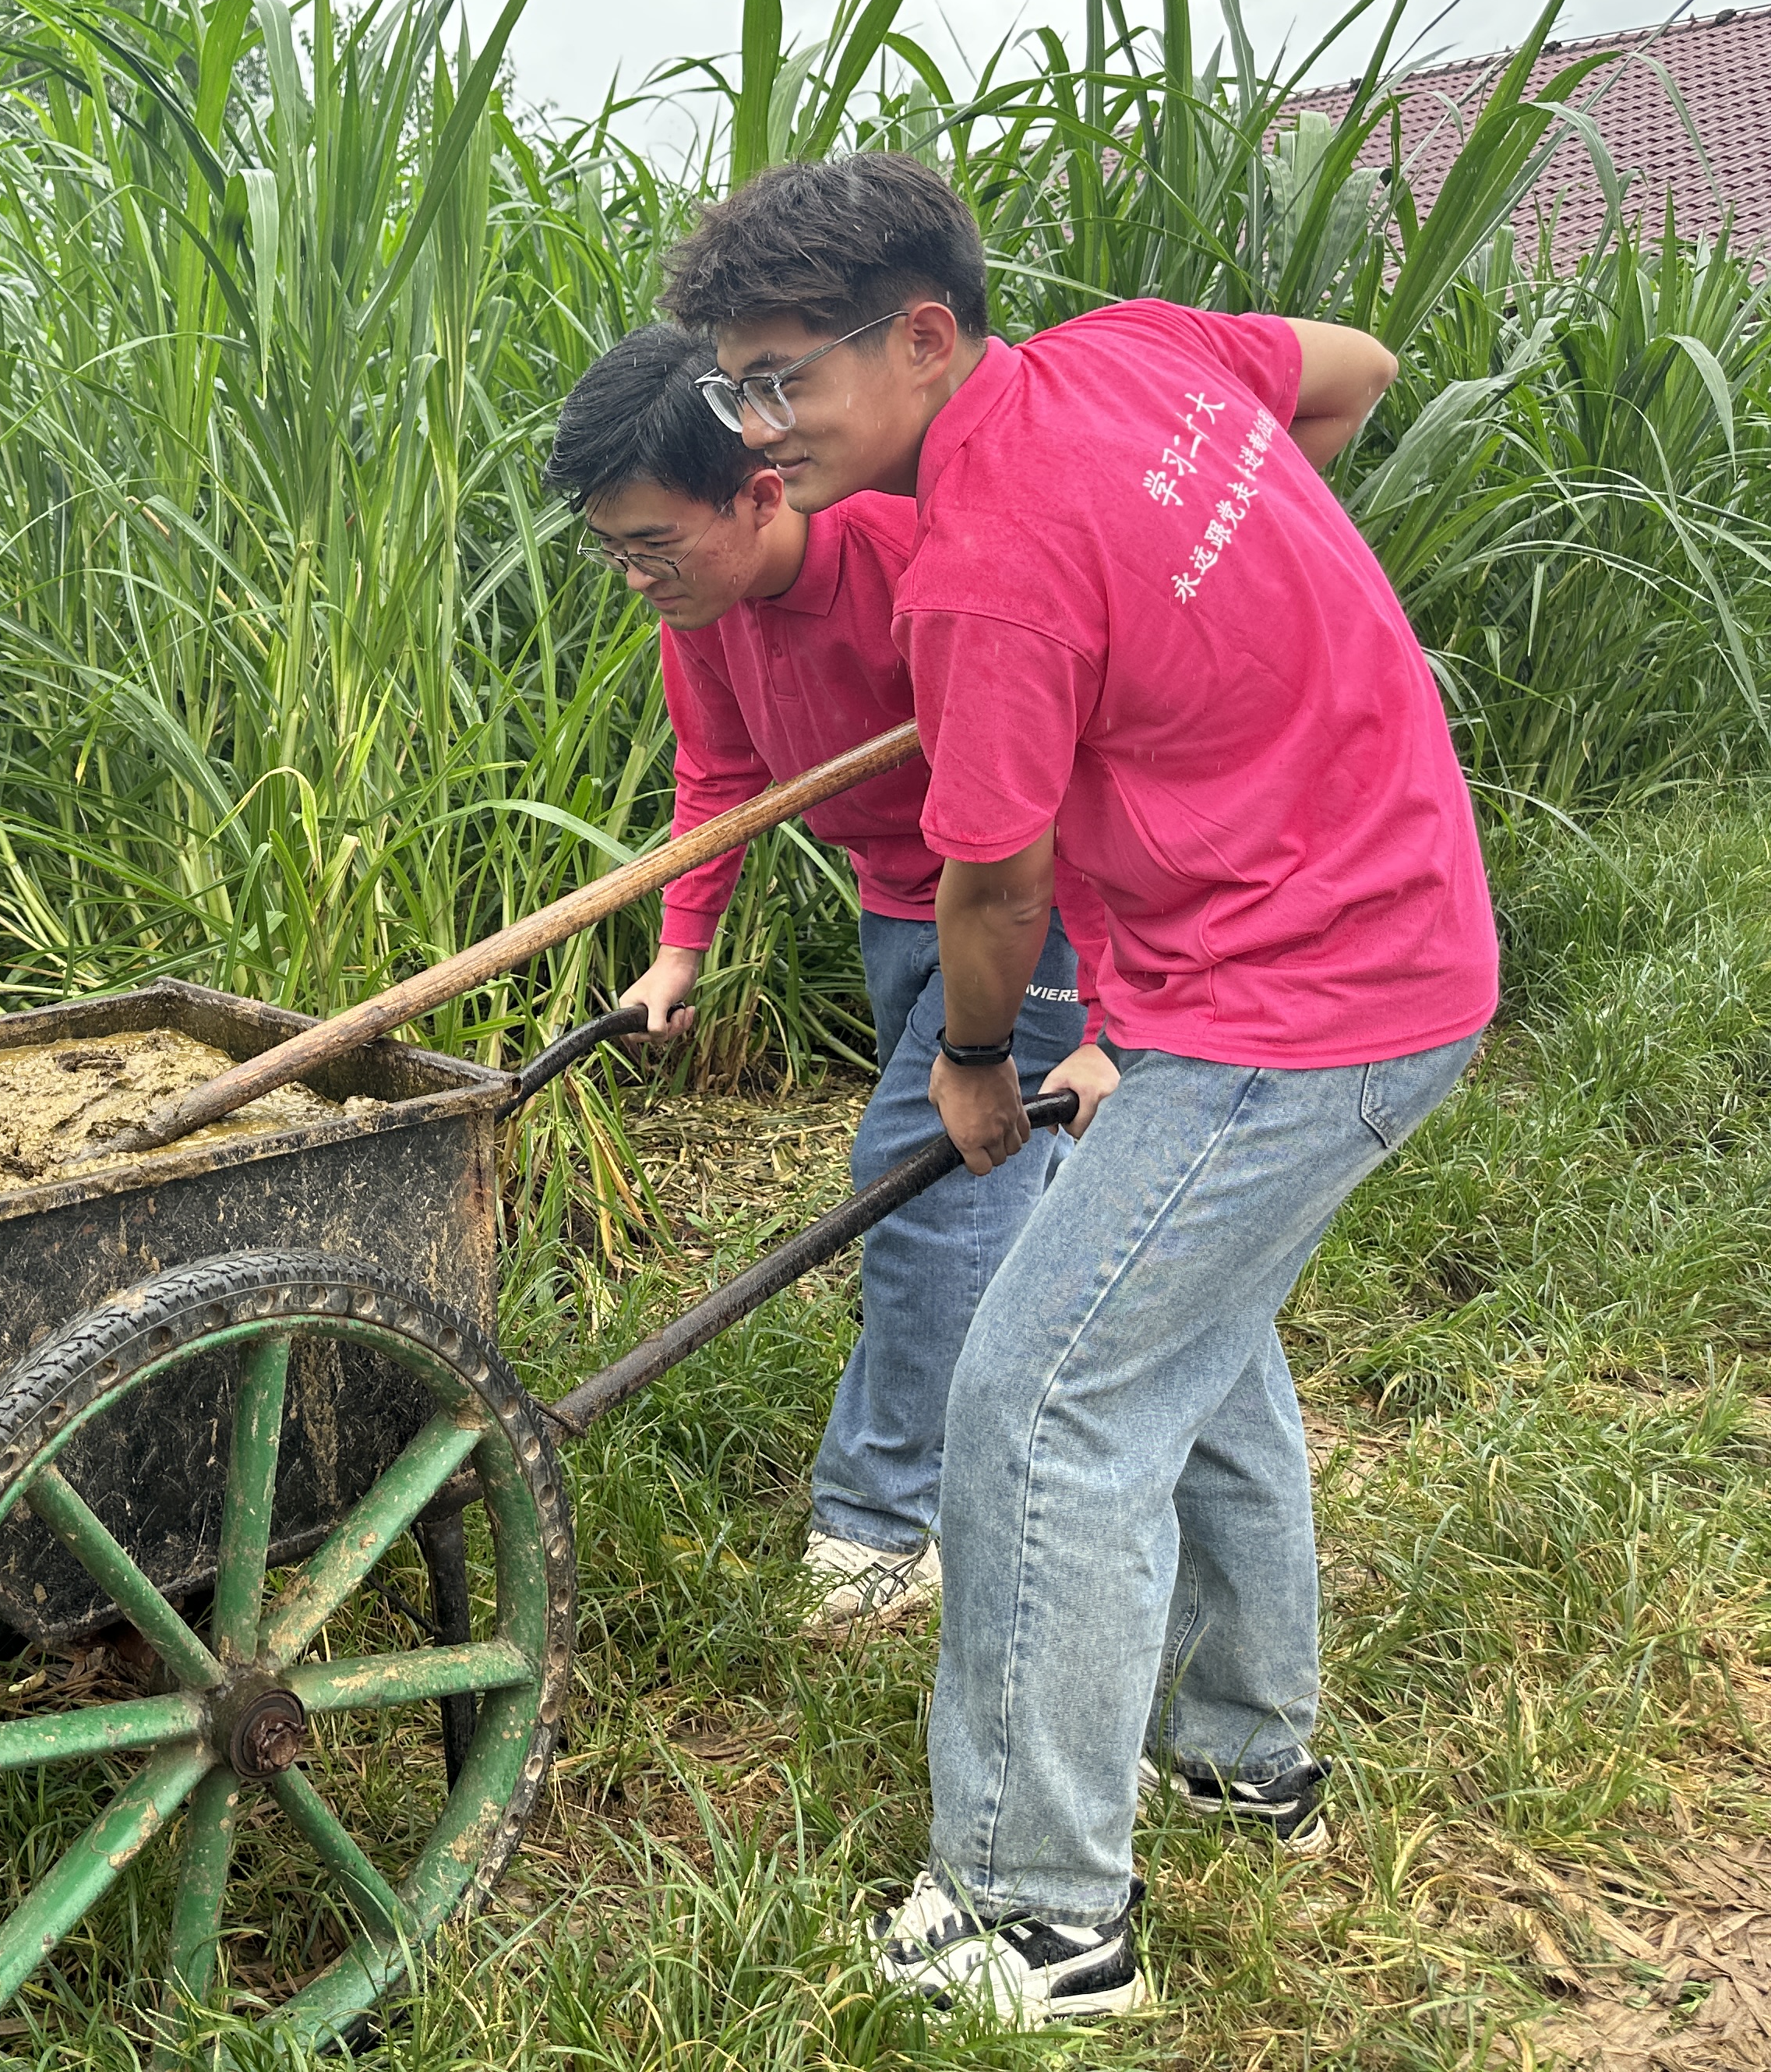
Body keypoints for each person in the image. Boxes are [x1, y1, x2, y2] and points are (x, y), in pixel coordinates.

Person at [659, 152, 1498, 2026]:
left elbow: (993, 894)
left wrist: (976, 1065)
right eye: (734, 382)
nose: (753, 426)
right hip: (1381, 936)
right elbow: (1351, 371)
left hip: (1299, 1002)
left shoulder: (981, 576)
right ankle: (1241, 1752)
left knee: (1040, 1402)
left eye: (783, 379)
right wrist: (1218, 606)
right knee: (1192, 1342)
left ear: (923, 336)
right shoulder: (1134, 353)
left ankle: (1040, 1918)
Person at [542, 323, 1083, 1636]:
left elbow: (1063, 785)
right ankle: (1047, 1399)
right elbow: (722, 776)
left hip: (1028, 906)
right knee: (1007, 1181)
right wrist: (680, 949)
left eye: (654, 546)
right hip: (899, 903)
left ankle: (887, 1522)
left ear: (760, 492)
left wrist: (1108, 1004)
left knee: (920, 1184)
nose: (635, 579)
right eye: (612, 553)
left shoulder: (915, 562)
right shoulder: (704, 610)